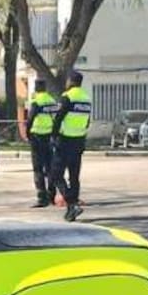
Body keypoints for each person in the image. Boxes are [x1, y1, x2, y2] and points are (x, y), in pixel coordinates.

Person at [51, 71, 92, 221]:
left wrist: (54, 136)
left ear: (71, 81)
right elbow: (87, 121)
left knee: (55, 174)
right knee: (74, 176)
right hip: (79, 140)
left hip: (65, 140)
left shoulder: (67, 97)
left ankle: (71, 203)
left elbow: (58, 118)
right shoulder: (86, 99)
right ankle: (71, 210)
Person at [26, 79, 59, 207]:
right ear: (45, 88)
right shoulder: (51, 101)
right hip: (49, 137)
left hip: (37, 137)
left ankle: (41, 197)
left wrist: (28, 134)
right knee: (50, 167)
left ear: (36, 88)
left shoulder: (36, 101)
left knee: (38, 168)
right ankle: (52, 195)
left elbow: (30, 119)